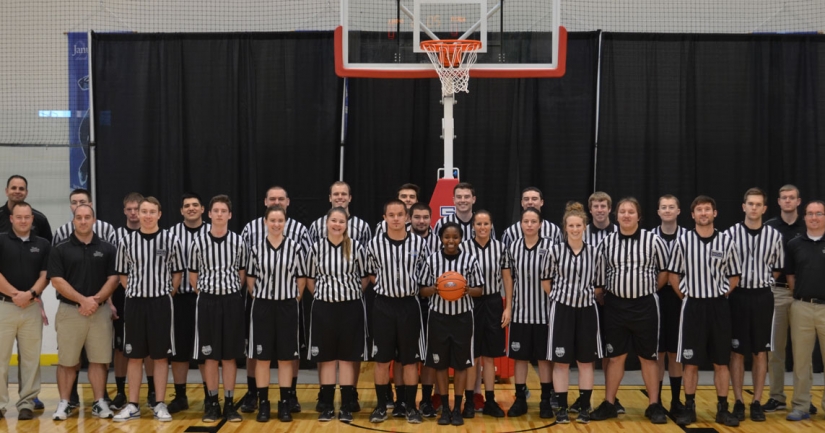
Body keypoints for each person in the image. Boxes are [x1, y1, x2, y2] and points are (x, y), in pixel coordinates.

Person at [590, 198, 669, 424]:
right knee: (615, 357)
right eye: (622, 211)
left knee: (648, 357)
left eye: (631, 212)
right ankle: (609, 403)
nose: (626, 215)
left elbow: (664, 271)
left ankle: (654, 404)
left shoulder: (653, 240)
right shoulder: (607, 242)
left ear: (639, 216)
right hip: (616, 306)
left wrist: (650, 289)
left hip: (645, 306)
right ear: (617, 215)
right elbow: (600, 275)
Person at [667, 195, 742, 427]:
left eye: (707, 210)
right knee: (691, 362)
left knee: (721, 361)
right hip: (693, 306)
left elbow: (734, 276)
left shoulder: (727, 241)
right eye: (699, 210)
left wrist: (720, 294)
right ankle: (689, 408)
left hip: (718, 306)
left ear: (715, 213)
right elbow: (673, 276)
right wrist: (689, 296)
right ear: (692, 215)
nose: (703, 213)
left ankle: (723, 408)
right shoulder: (683, 241)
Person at [113, 197, 184, 423]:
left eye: (152, 211)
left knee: (160, 356)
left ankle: (160, 403)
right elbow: (122, 274)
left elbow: (177, 274)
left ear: (159, 214)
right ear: (138, 214)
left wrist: (164, 294)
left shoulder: (171, 240)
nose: (147, 215)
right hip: (134, 303)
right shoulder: (126, 241)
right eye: (144, 211)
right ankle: (133, 404)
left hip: (161, 304)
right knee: (135, 356)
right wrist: (135, 290)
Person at [240, 186, 308, 414]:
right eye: (273, 220)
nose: (276, 224)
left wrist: (293, 298)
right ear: (265, 222)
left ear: (285, 222)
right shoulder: (256, 250)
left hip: (288, 306)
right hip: (262, 306)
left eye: (280, 220)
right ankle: (264, 403)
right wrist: (261, 297)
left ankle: (285, 402)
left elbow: (301, 279)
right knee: (262, 358)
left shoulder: (296, 248)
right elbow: (250, 280)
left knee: (286, 358)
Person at [49, 204, 119, 420]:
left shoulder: (108, 248)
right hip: (70, 312)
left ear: (94, 220)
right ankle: (64, 403)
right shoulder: (60, 249)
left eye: (87, 217)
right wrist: (82, 300)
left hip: (99, 312)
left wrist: (95, 301)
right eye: (79, 217)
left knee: (100, 360)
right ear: (73, 220)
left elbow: (114, 278)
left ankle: (99, 402)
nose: (83, 221)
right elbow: (56, 280)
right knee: (67, 361)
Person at [366, 199, 430, 424]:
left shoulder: (420, 244)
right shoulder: (373, 244)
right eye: (391, 215)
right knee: (382, 361)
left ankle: (411, 407)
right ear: (384, 218)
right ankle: (382, 406)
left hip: (409, 306)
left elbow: (424, 275)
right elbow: (371, 274)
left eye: (399, 214)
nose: (395, 218)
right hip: (383, 306)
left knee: (410, 361)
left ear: (407, 217)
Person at [724, 188, 784, 422]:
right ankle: (738, 400)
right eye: (750, 203)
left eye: (758, 204)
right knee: (737, 351)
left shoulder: (774, 236)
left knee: (761, 351)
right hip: (737, 296)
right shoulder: (729, 234)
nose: (754, 208)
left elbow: (777, 267)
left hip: (762, 297)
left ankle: (757, 401)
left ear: (764, 208)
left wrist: (763, 280)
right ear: (744, 206)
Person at [306, 207, 369, 423]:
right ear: (327, 222)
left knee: (347, 358)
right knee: (328, 358)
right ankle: (327, 403)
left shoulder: (357, 248)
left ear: (346, 224)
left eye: (341, 221)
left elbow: (365, 277)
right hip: (324, 308)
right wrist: (325, 295)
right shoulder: (315, 248)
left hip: (350, 308)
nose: (337, 224)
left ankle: (346, 404)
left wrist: (349, 293)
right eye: (333, 220)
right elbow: (310, 279)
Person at [417, 222, 484, 426]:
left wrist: (466, 290)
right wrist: (436, 288)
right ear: (441, 238)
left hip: (463, 318)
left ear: (461, 238)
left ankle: (458, 408)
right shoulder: (432, 260)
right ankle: (444, 408)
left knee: (462, 365)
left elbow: (480, 290)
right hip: (438, 318)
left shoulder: (470, 259)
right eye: (447, 237)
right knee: (440, 364)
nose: (451, 241)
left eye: (455, 237)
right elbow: (421, 289)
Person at [189, 195, 248, 423]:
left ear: (230, 215)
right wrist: (208, 293)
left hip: (231, 301)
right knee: (210, 357)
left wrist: (229, 290)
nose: (220, 214)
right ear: (210, 214)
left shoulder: (239, 242)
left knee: (229, 356)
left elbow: (242, 275)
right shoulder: (198, 242)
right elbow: (194, 277)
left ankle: (230, 403)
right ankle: (212, 403)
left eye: (224, 210)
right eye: (216, 210)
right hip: (208, 302)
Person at [547, 202, 603, 423]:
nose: (575, 228)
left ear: (585, 227)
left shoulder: (595, 253)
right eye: (571, 225)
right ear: (565, 227)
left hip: (587, 310)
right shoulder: (554, 251)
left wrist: (583, 295)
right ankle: (561, 408)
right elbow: (546, 281)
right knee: (560, 362)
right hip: (562, 310)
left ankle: (584, 408)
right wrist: (561, 297)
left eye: (578, 225)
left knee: (586, 362)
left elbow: (599, 285)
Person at [763, 184, 814, 414]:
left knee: (804, 352)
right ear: (779, 201)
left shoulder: (809, 226)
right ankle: (777, 396)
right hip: (778, 291)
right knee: (775, 349)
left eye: (792, 198)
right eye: (784, 198)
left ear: (798, 201)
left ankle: (804, 399)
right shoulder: (769, 227)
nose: (788, 201)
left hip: (804, 295)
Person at [0, 202, 50, 421]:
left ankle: (27, 403)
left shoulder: (43, 243)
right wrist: (14, 295)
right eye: (18, 217)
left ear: (32, 219)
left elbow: (46, 275)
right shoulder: (0, 240)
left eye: (27, 217)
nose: (23, 221)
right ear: (11, 218)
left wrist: (29, 294)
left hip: (31, 307)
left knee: (30, 359)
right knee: (0, 359)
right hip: (4, 306)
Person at [460, 210, 512, 418]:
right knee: (472, 356)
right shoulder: (463, 248)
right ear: (473, 226)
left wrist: (508, 306)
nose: (482, 227)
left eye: (486, 224)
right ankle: (471, 400)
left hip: (492, 301)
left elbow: (507, 279)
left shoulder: (500, 248)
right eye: (478, 224)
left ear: (491, 226)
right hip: (470, 302)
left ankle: (490, 401)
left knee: (490, 357)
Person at [506, 207, 556, 419]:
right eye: (525, 221)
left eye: (533, 221)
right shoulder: (513, 247)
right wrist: (508, 306)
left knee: (544, 359)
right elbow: (509, 279)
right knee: (520, 359)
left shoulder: (551, 247)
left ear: (540, 224)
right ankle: (520, 399)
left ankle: (546, 400)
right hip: (520, 313)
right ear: (521, 224)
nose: (529, 225)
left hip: (545, 313)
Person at [166, 193, 211, 414]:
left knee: (205, 349)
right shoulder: (169, 234)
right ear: (181, 210)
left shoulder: (213, 232)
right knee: (179, 350)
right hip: (179, 298)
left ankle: (209, 396)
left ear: (203, 209)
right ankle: (180, 395)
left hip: (206, 299)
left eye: (195, 205)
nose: (191, 208)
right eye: (187, 206)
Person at [784, 200, 825, 422]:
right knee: (800, 361)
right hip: (802, 306)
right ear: (805, 217)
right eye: (810, 213)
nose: (814, 217)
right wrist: (800, 297)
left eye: (819, 213)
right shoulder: (794, 244)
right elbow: (790, 275)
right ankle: (801, 405)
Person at [109, 192, 149, 411]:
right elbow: (112, 271)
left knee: (151, 347)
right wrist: (109, 300)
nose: (134, 213)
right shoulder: (117, 236)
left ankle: (152, 391)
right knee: (122, 346)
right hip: (123, 296)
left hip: (150, 298)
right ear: (124, 211)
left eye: (138, 209)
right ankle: (121, 392)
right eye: (130, 209)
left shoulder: (157, 234)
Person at [651, 194, 688, 415]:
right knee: (657, 352)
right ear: (658, 212)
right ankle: (656, 401)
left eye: (671, 207)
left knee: (675, 352)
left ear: (678, 211)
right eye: (663, 207)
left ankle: (676, 401)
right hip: (655, 297)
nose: (667, 210)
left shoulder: (688, 237)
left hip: (679, 298)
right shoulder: (649, 237)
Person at [408, 202, 442, 416]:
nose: (421, 221)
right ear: (410, 218)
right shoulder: (402, 238)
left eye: (425, 217)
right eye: (417, 217)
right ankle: (405, 400)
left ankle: (427, 400)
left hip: (432, 303)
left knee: (430, 355)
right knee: (407, 355)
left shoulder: (439, 241)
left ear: (431, 219)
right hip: (409, 302)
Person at [0, 175, 52, 243]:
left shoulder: (40, 219)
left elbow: (48, 247)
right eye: (13, 188)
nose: (17, 191)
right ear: (7, 191)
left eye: (21, 189)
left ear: (26, 193)